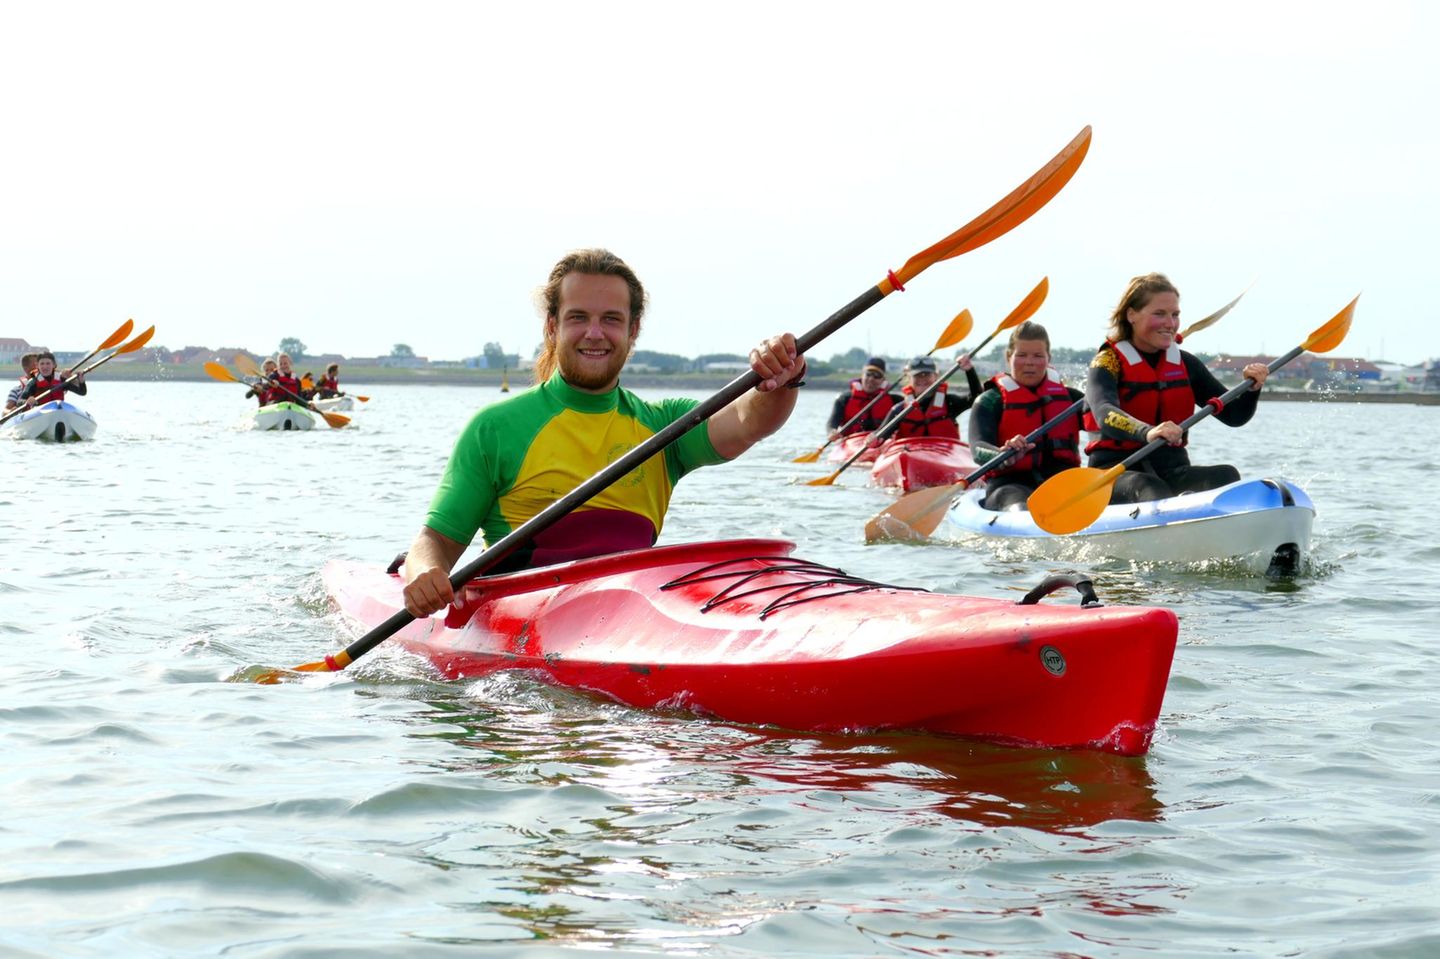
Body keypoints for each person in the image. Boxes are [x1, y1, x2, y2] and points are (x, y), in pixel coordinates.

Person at [401, 248, 805, 617]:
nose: (595, 333)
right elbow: (435, 541)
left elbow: (750, 420)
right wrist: (422, 573)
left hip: (628, 618)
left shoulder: (665, 426)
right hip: (524, 619)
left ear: (633, 330)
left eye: (611, 319)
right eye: (579, 317)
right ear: (551, 326)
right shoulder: (496, 427)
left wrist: (782, 377)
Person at [1085, 272, 1269, 503]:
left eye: (1175, 315)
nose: (1170, 324)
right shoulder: (1106, 362)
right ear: (1131, 314)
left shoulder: (1186, 364)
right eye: (1159, 314)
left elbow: (1235, 416)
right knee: (1149, 487)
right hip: (1114, 473)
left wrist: (1252, 388)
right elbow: (1104, 412)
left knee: (1226, 475)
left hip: (1171, 470)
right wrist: (1148, 432)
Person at [968, 321, 1084, 510]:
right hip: (1009, 487)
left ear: (1048, 358)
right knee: (1019, 506)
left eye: (1038, 356)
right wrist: (1002, 455)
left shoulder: (1073, 399)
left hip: (1064, 483)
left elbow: (1104, 424)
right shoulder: (990, 401)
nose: (1030, 362)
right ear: (1008, 357)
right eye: (1021, 355)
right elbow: (977, 449)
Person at [887, 353, 981, 439]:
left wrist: (969, 370)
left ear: (935, 376)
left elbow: (976, 397)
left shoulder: (949, 403)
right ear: (909, 379)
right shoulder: (899, 410)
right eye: (917, 375)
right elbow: (880, 437)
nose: (922, 378)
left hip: (944, 454)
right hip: (908, 453)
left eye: (927, 374)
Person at [826, 357, 899, 438]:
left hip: (881, 443)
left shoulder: (896, 401)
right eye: (868, 374)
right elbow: (832, 423)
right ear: (862, 375)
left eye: (877, 376)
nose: (871, 379)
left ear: (883, 380)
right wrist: (832, 432)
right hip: (851, 443)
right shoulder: (844, 399)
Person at [17, 352, 87, 407]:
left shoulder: (61, 380)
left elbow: (82, 392)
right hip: (40, 413)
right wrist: (26, 401)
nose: (45, 367)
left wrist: (81, 381)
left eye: (48, 363)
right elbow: (19, 401)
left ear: (53, 365)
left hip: (58, 410)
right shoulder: (33, 382)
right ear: (37, 366)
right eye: (42, 364)